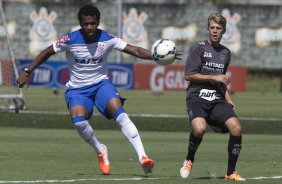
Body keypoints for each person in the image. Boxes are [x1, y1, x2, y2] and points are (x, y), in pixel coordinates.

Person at [16, 4, 181, 175]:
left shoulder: (107, 38)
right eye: (86, 24)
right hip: (77, 89)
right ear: (80, 24)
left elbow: (134, 49)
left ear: (98, 22)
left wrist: (157, 56)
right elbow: (47, 52)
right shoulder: (70, 40)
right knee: (79, 122)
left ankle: (143, 157)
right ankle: (100, 150)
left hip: (101, 84)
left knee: (120, 113)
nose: (89, 27)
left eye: (93, 23)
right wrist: (28, 71)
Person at [179, 13, 245, 181]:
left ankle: (230, 172)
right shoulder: (198, 48)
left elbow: (221, 80)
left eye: (218, 28)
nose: (215, 31)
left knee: (236, 127)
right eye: (212, 28)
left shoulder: (226, 53)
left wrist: (228, 97)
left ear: (224, 31)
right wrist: (213, 77)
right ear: (208, 28)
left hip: (217, 99)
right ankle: (189, 159)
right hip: (196, 97)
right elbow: (189, 76)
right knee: (199, 129)